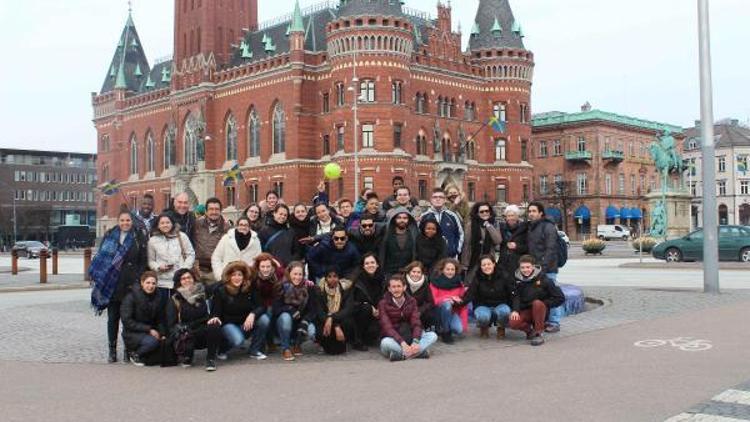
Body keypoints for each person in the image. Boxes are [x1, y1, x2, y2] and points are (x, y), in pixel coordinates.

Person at [89, 209, 148, 363]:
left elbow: (143, 261)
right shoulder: (110, 235)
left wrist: (137, 279)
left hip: (130, 285)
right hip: (112, 284)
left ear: (132, 221)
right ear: (118, 221)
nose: (125, 223)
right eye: (122, 220)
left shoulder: (138, 236)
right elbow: (102, 257)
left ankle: (128, 350)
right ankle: (112, 350)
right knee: (113, 319)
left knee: (128, 319)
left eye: (128, 220)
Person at [209, 261, 270, 360]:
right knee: (238, 340)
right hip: (228, 323)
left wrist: (253, 314)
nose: (237, 278)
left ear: (244, 276)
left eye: (239, 275)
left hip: (246, 322)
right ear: (228, 276)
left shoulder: (249, 287)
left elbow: (262, 306)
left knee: (264, 319)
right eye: (233, 275)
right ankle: (222, 349)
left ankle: (254, 350)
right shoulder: (221, 290)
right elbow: (215, 312)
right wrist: (215, 318)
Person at [166, 269, 223, 371]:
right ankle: (187, 356)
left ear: (193, 279)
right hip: (187, 332)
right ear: (179, 281)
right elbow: (171, 324)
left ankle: (210, 359)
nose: (187, 280)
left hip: (204, 328)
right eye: (183, 278)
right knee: (186, 336)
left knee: (215, 325)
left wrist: (213, 316)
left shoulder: (203, 292)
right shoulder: (175, 299)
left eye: (189, 277)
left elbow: (217, 286)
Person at [378, 274, 438, 361]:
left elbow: (416, 323)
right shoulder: (382, 303)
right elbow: (387, 327)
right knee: (385, 343)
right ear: (389, 289)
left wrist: (415, 341)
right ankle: (419, 353)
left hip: (410, 335)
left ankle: (402, 356)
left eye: (399, 286)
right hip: (394, 339)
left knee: (432, 335)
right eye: (393, 287)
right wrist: (402, 343)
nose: (396, 289)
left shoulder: (412, 301)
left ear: (404, 287)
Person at [509, 255, 565, 346]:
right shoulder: (516, 280)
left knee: (537, 303)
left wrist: (545, 303)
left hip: (540, 310)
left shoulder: (544, 279)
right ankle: (530, 332)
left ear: (533, 267)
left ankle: (538, 334)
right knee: (513, 322)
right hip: (526, 310)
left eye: (528, 267)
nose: (525, 270)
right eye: (522, 267)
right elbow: (516, 297)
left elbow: (560, 298)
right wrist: (515, 310)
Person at [526, 201, 563, 333]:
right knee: (542, 296)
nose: (531, 213)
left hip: (548, 268)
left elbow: (550, 249)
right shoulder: (532, 226)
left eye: (534, 211)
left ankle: (555, 321)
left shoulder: (548, 226)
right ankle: (545, 321)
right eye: (529, 211)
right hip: (536, 269)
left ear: (540, 213)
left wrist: (543, 267)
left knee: (553, 294)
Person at [147, 213, 195, 310]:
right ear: (158, 225)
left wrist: (184, 270)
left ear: (172, 223)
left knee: (180, 309)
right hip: (161, 282)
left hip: (180, 281)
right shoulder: (152, 240)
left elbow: (191, 254)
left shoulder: (182, 236)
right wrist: (158, 267)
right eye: (162, 223)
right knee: (162, 310)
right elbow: (150, 260)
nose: (165, 225)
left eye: (167, 222)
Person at [459, 255, 512, 339]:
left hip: (501, 304)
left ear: (494, 264)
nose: (486, 267)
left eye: (489, 264)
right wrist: (458, 302)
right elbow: (469, 294)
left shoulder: (504, 275)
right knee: (482, 317)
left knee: (505, 311)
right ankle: (484, 328)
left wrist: (516, 309)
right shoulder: (477, 278)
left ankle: (501, 328)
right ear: (480, 266)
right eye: (484, 265)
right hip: (482, 305)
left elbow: (512, 293)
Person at [272, 262, 317, 361]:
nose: (297, 277)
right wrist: (290, 309)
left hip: (301, 321)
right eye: (295, 274)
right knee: (286, 317)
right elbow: (275, 309)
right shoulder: (281, 286)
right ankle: (286, 348)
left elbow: (313, 310)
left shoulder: (309, 287)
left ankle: (297, 344)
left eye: (300, 274)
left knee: (311, 330)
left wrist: (305, 321)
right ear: (289, 273)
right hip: (284, 322)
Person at [120, 271, 167, 366]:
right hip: (133, 332)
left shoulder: (158, 297)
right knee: (153, 342)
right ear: (142, 283)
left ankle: (145, 355)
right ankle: (135, 354)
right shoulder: (130, 297)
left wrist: (162, 334)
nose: (151, 286)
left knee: (164, 342)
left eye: (153, 283)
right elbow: (127, 321)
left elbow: (160, 319)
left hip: (150, 331)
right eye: (148, 283)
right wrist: (149, 330)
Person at [314, 268, 354, 355]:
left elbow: (348, 309)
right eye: (329, 277)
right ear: (325, 278)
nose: (332, 279)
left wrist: (333, 319)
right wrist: (333, 323)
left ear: (339, 278)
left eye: (335, 276)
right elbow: (319, 312)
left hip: (340, 320)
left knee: (349, 322)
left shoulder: (345, 289)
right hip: (324, 321)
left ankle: (344, 342)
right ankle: (322, 344)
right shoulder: (319, 290)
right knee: (330, 350)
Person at [460, 202, 502, 285]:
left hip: (488, 259)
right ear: (477, 213)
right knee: (472, 284)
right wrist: (465, 263)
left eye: (487, 211)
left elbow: (498, 240)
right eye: (481, 212)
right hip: (473, 260)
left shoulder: (494, 223)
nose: (485, 213)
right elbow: (467, 244)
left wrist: (488, 225)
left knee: (488, 284)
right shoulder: (471, 225)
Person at [350, 253, 386, 351]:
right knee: (366, 308)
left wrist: (380, 308)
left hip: (377, 313)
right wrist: (369, 306)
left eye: (372, 262)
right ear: (363, 266)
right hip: (359, 315)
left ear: (377, 264)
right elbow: (351, 303)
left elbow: (386, 297)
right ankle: (357, 340)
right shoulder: (356, 280)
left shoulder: (383, 279)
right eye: (367, 263)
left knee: (373, 334)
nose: (370, 265)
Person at [211, 216, 262, 281]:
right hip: (228, 277)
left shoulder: (255, 241)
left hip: (246, 279)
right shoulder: (227, 238)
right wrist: (220, 275)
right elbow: (216, 258)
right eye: (241, 225)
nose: (243, 227)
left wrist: (251, 276)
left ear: (249, 227)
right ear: (237, 226)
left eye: (246, 225)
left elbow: (257, 260)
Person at [193, 197, 230, 286]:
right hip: (197, 270)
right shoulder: (197, 224)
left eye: (216, 209)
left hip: (214, 271)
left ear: (221, 211)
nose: (214, 212)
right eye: (211, 209)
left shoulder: (227, 229)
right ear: (206, 211)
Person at [430, 258, 468, 344]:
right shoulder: (435, 282)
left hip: (453, 312)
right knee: (447, 305)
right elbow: (432, 300)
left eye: (452, 269)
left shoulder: (459, 283)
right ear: (442, 270)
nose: (450, 272)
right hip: (437, 311)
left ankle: (443, 327)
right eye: (447, 269)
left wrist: (464, 323)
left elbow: (463, 304)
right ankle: (445, 332)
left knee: (458, 330)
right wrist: (449, 298)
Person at [421, 188, 464, 258]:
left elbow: (460, 234)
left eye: (441, 197)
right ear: (431, 200)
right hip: (430, 258)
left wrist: (456, 250)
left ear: (444, 200)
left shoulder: (452, 216)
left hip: (450, 257)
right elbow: (420, 235)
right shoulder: (424, 216)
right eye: (435, 197)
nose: (438, 199)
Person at [379, 208, 419, 277]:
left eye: (405, 218)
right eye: (399, 217)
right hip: (389, 273)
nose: (402, 220)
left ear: (409, 220)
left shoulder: (414, 235)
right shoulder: (386, 235)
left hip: (409, 273)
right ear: (394, 219)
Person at [404, 261, 436, 331]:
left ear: (422, 274)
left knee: (429, 313)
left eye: (418, 272)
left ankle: (425, 328)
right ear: (409, 272)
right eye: (413, 271)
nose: (416, 274)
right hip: (404, 310)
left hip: (419, 311)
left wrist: (420, 310)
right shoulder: (402, 281)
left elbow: (431, 302)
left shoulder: (425, 284)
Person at [498, 205, 528, 277]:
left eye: (512, 215)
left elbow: (528, 247)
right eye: (508, 216)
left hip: (518, 263)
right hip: (504, 263)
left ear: (517, 216)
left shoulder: (524, 228)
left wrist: (517, 246)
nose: (510, 218)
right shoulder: (502, 228)